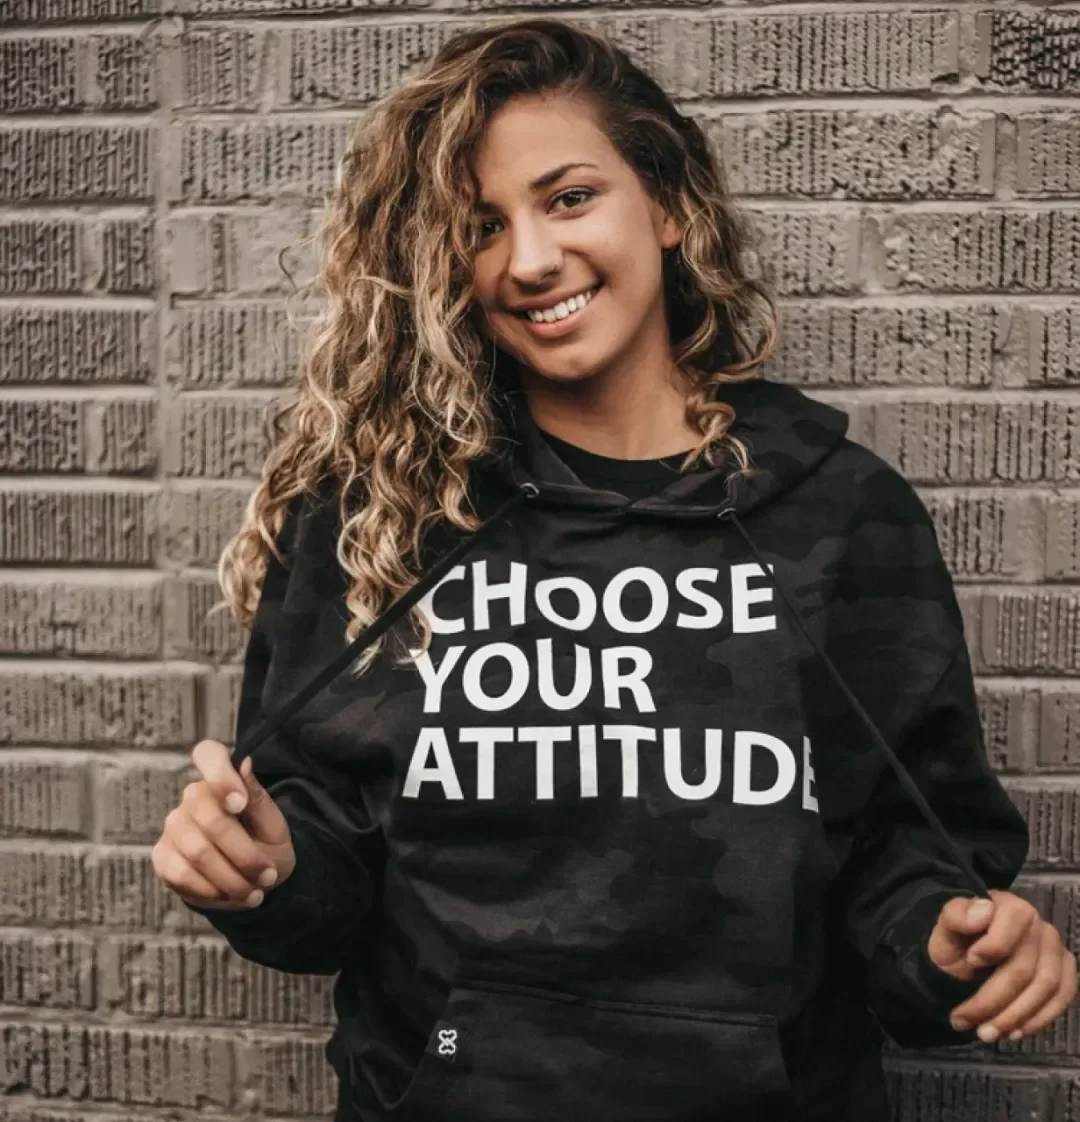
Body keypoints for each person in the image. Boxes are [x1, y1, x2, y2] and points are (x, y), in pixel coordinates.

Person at [150, 17, 1076, 1122]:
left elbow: (904, 856)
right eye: (482, 226)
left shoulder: (842, 513)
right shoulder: (381, 514)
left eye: (570, 197)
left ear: (670, 204)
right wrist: (263, 871)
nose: (531, 260)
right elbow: (327, 883)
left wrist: (951, 943)